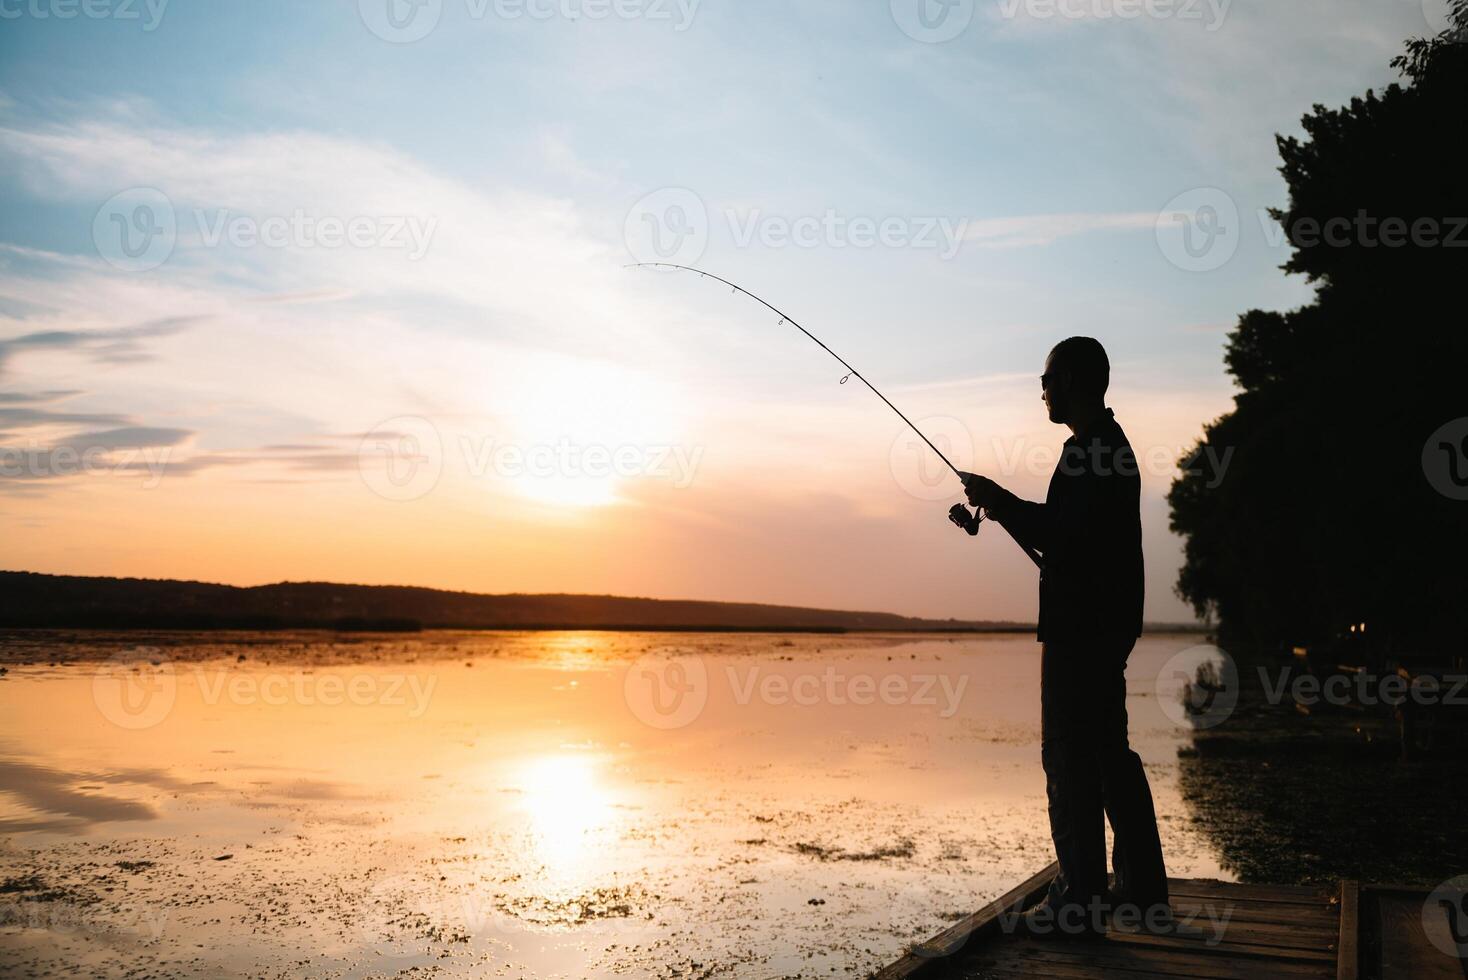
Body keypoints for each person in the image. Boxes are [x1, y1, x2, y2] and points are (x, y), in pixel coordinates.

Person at [956, 336, 1169, 938]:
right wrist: (1003, 509)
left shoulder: (1090, 451)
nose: (1041, 388)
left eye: (1048, 377)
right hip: (1105, 625)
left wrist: (997, 499)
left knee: (1068, 758)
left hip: (1081, 629)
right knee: (1108, 755)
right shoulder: (1107, 446)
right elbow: (1068, 536)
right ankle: (1141, 889)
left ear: (1073, 379)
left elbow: (1060, 532)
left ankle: (1079, 898)